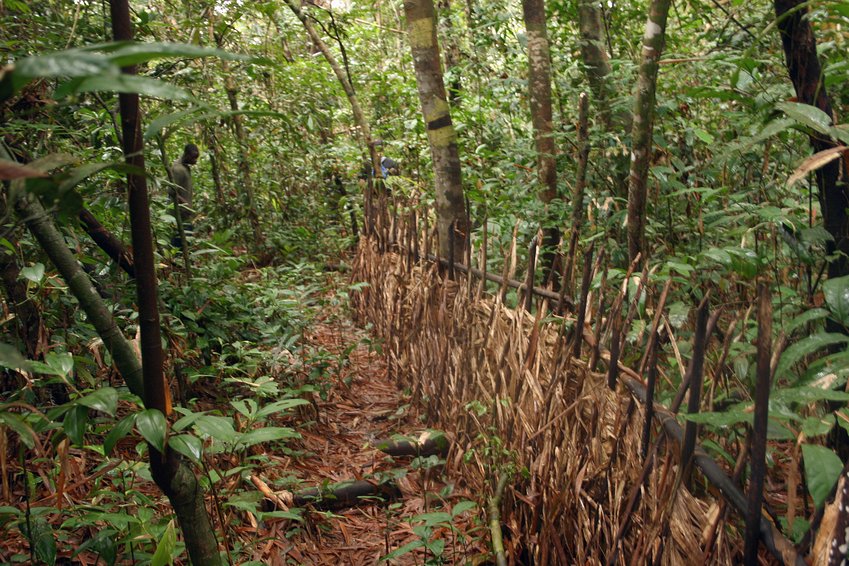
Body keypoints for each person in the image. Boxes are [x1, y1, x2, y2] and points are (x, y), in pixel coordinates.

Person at [168, 143, 199, 247]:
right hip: (179, 214)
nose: (195, 161)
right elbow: (171, 191)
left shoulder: (185, 167)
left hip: (185, 213)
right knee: (179, 243)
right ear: (187, 154)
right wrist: (186, 204)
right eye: (194, 157)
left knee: (186, 243)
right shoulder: (178, 169)